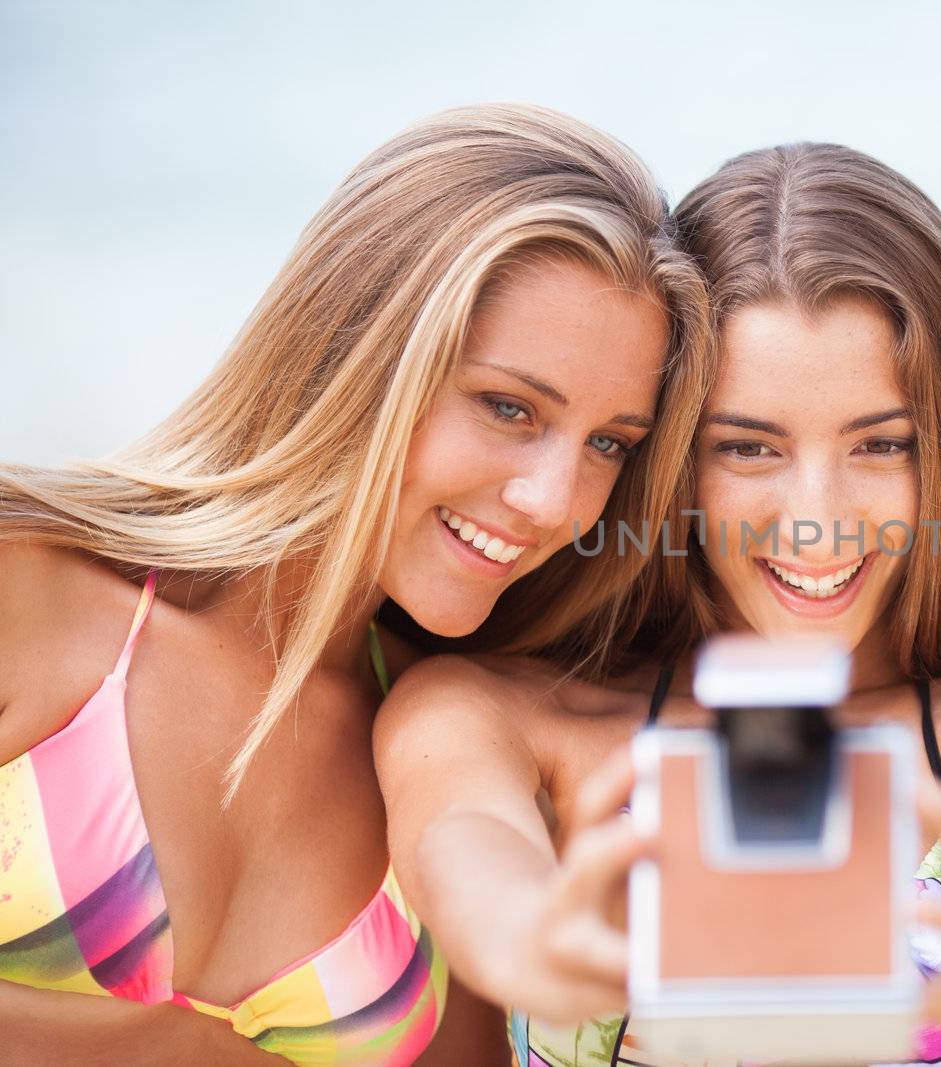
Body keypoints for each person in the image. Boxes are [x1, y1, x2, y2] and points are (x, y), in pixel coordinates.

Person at [376, 141, 941, 1067]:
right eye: (749, 449)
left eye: (882, 446)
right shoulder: (492, 713)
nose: (818, 523)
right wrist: (519, 932)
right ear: (673, 460)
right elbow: (464, 835)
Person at [0, 103, 710, 1065]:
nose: (554, 500)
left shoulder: (446, 743)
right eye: (508, 407)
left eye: (607, 445)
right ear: (360, 347)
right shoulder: (31, 582)